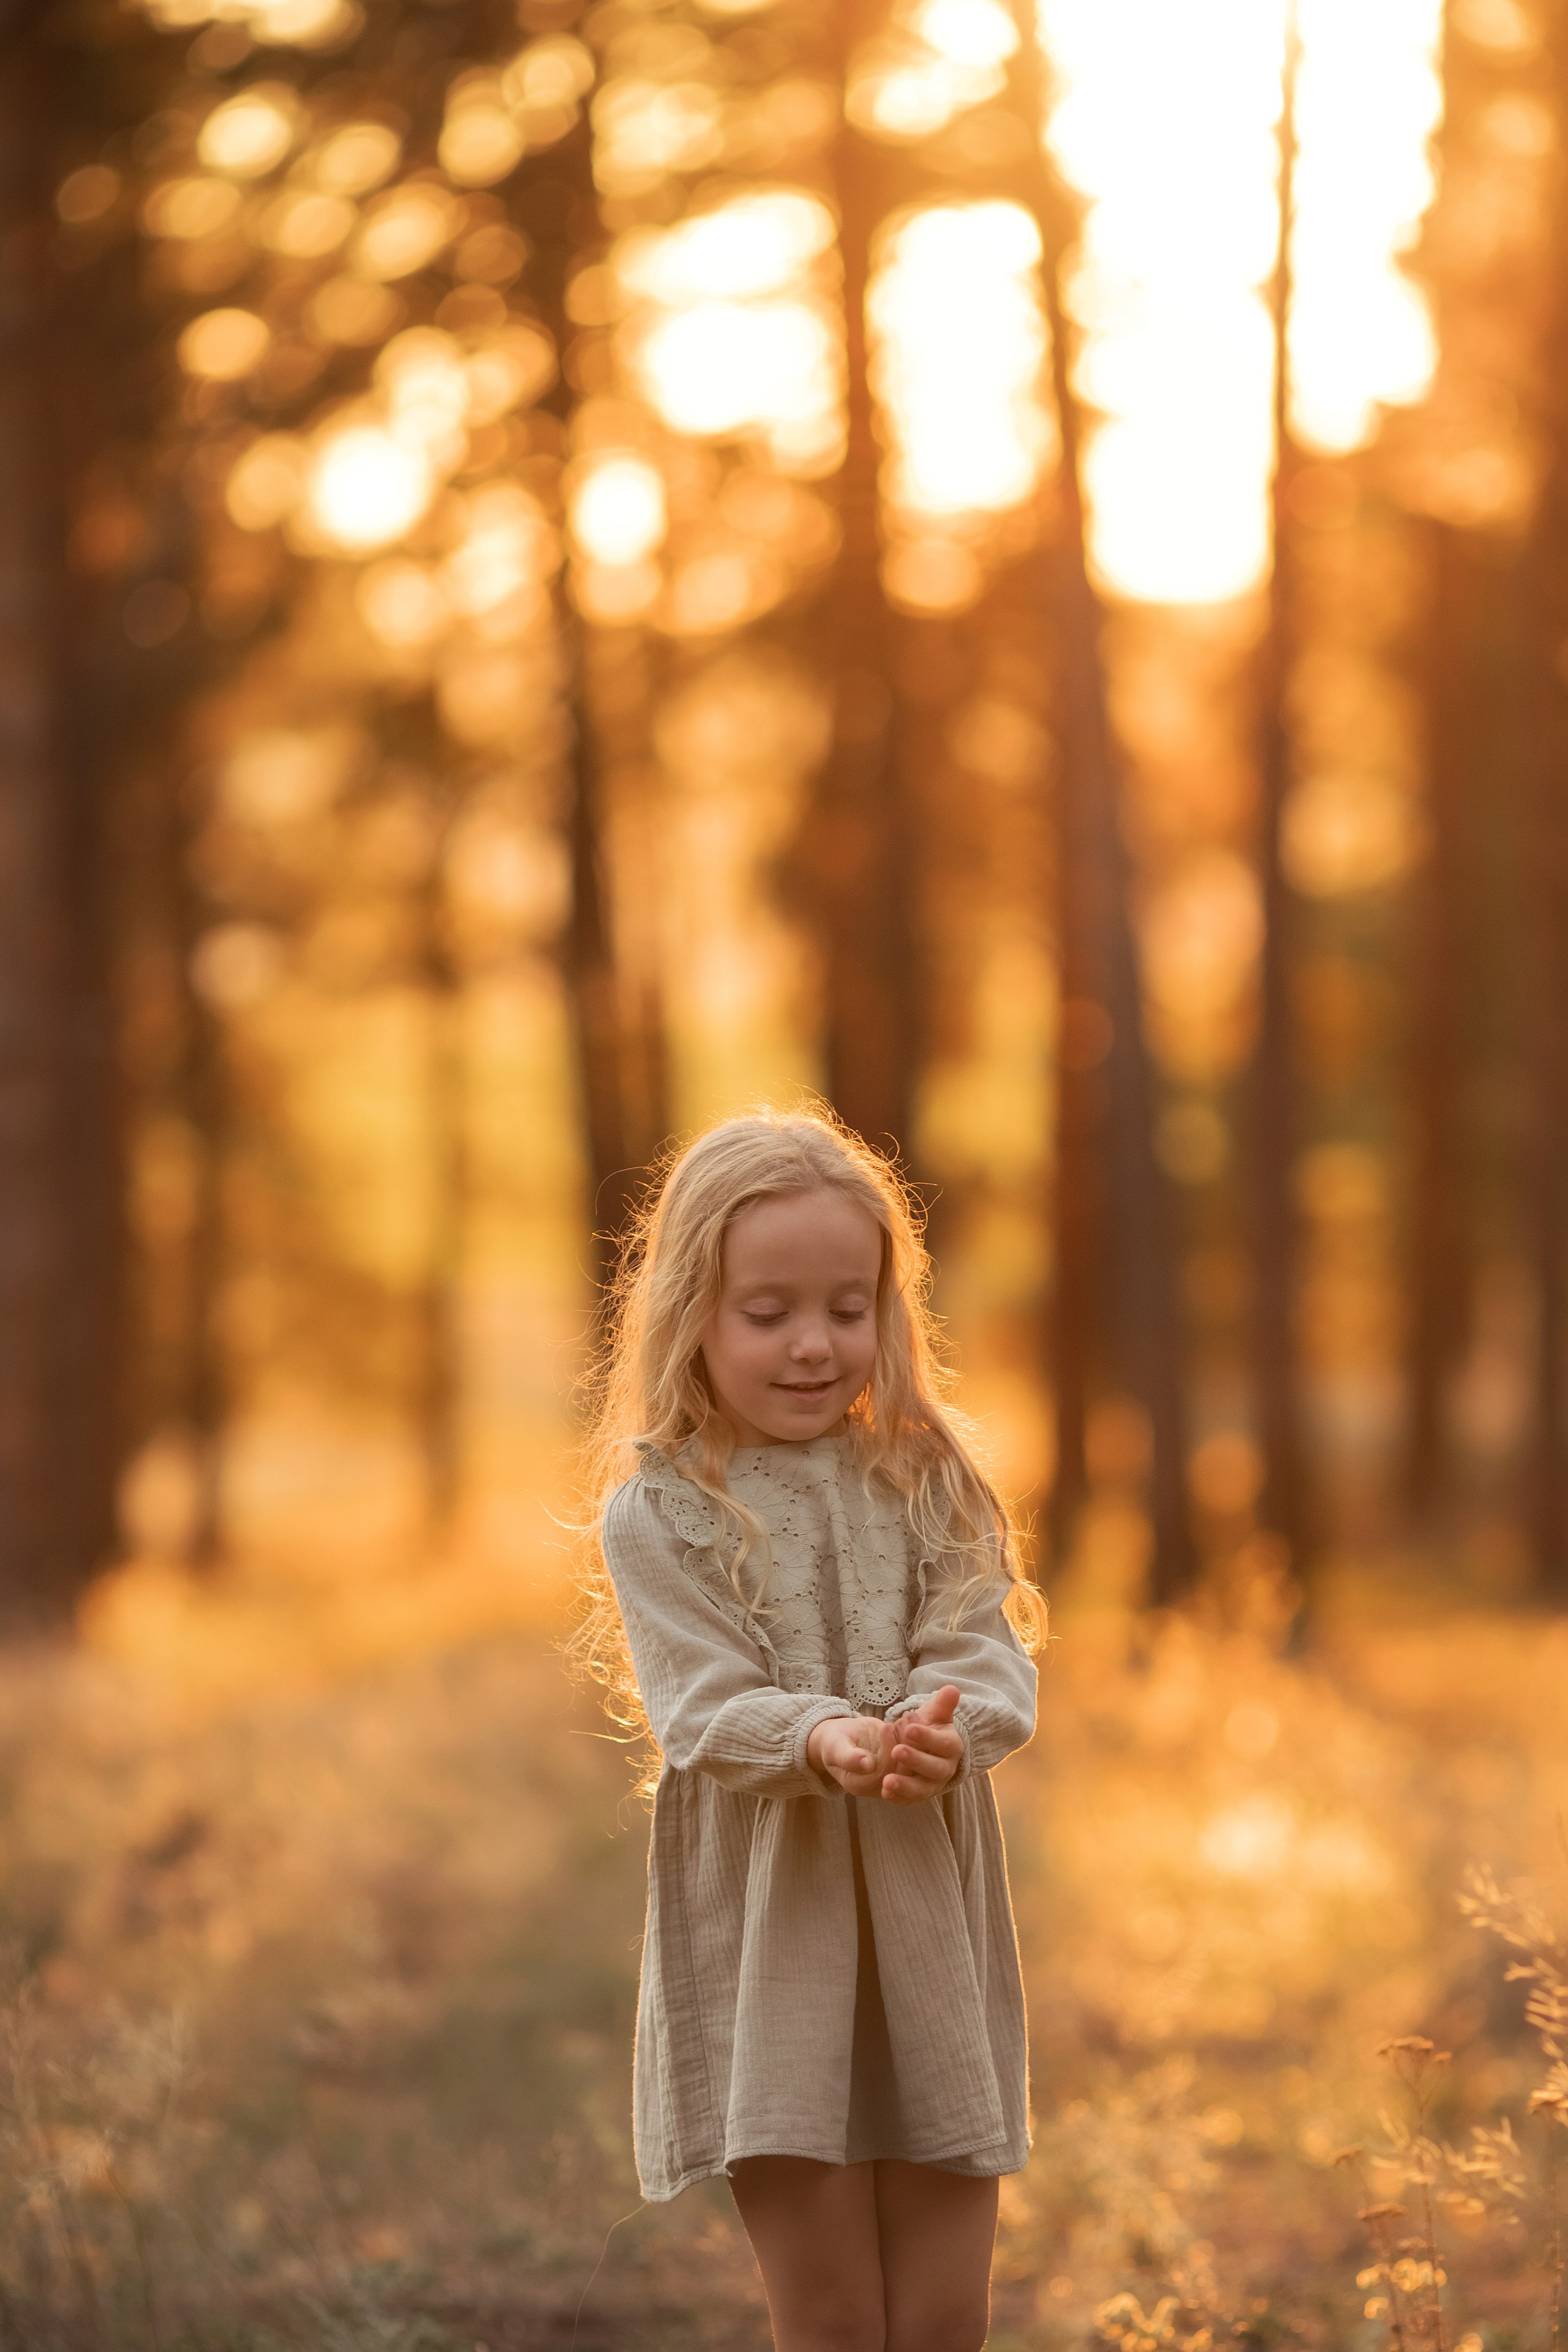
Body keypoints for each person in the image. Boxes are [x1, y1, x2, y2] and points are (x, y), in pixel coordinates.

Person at [576, 1106, 1043, 2352]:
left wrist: (953, 1727)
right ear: (694, 1313)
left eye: (847, 1305)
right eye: (766, 1312)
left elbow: (981, 1649)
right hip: (771, 1942)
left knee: (944, 2322)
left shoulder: (928, 1473)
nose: (812, 1344)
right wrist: (822, 1740)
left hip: (926, 1923)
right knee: (834, 2323)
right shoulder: (661, 1509)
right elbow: (702, 1708)